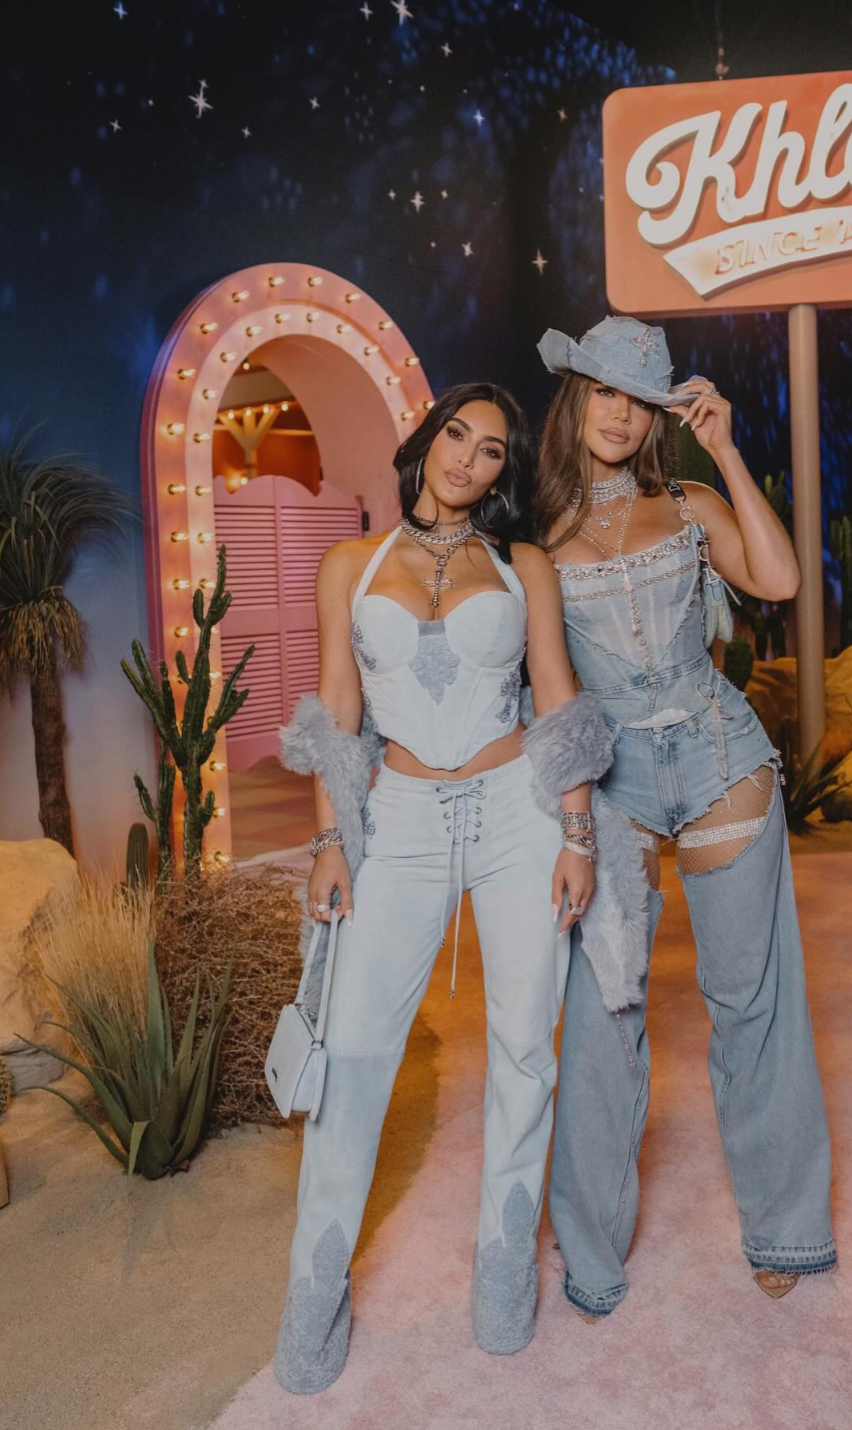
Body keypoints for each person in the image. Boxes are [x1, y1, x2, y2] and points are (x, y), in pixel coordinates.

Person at [273, 381, 645, 1394]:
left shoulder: (520, 563)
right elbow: (336, 714)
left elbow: (558, 696)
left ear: (503, 473)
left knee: (525, 1043)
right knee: (352, 1051)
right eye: (455, 435)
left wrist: (575, 832)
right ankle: (314, 1295)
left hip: (517, 813)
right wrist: (327, 843)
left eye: (490, 451)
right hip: (395, 821)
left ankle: (500, 1277)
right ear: (425, 440)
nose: (466, 458)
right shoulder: (346, 566)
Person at [535, 316, 836, 1315]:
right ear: (575, 396)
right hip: (610, 783)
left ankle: (784, 1224)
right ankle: (591, 1251)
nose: (618, 415)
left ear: (659, 412)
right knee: (603, 1012)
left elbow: (783, 580)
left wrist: (727, 449)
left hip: (717, 763)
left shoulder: (691, 501)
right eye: (604, 392)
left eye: (639, 398)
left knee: (750, 999)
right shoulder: (537, 540)